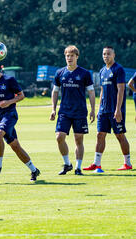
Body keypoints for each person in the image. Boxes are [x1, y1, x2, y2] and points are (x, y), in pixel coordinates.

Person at [0, 58, 40, 182]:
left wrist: (8, 102)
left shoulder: (9, 80)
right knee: (15, 146)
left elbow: (21, 96)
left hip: (10, 115)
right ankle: (34, 170)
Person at [83, 46, 132, 172]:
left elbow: (121, 90)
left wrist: (118, 109)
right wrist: (99, 109)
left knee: (120, 135)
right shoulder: (102, 71)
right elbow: (102, 91)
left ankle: (127, 163)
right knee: (100, 135)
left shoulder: (118, 69)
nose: (106, 56)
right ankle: (96, 164)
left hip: (115, 110)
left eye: (108, 54)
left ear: (113, 55)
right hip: (104, 110)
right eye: (104, 54)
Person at [50, 45, 95, 176]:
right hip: (64, 111)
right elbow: (55, 92)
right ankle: (67, 164)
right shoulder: (60, 73)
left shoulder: (84, 73)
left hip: (80, 111)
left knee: (78, 140)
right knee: (59, 137)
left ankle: (78, 167)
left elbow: (91, 92)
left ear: (77, 57)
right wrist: (53, 109)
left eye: (71, 56)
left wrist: (92, 109)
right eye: (67, 56)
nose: (69, 58)